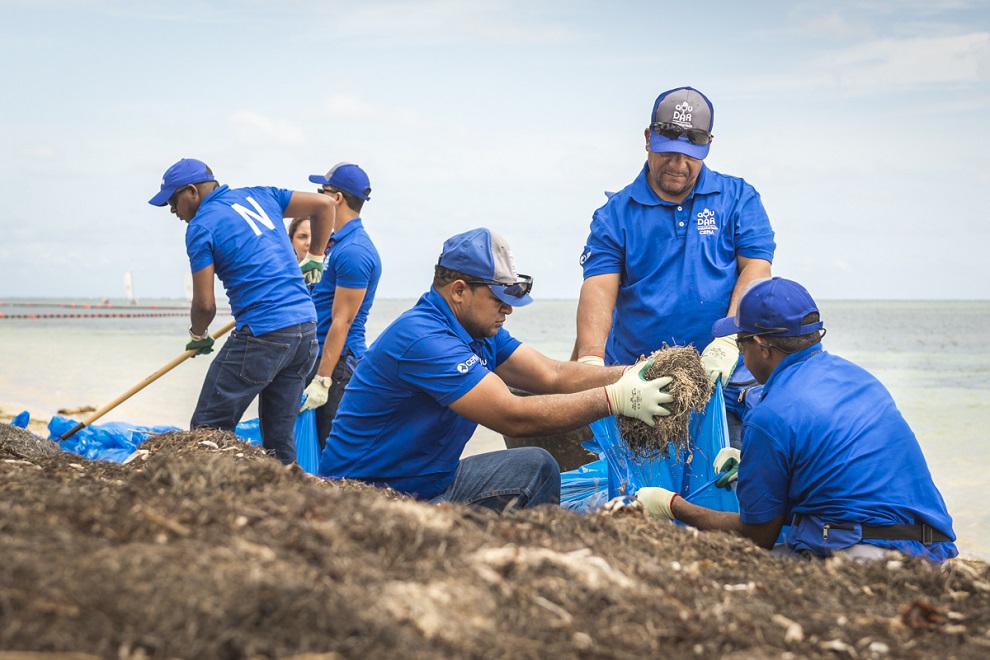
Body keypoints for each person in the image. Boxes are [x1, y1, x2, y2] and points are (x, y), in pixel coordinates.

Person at [319, 227, 676, 512]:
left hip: (432, 484)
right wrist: (615, 399)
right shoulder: (422, 338)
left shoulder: (480, 330)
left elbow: (552, 374)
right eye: (500, 299)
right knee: (531, 457)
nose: (508, 310)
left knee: (536, 465)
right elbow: (512, 416)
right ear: (460, 291)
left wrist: (640, 373)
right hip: (369, 497)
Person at [635, 277, 958, 564]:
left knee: (731, 567)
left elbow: (756, 537)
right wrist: (752, 464)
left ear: (762, 348)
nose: (740, 355)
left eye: (739, 344)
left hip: (875, 556)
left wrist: (672, 506)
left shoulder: (769, 414)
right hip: (933, 549)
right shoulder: (860, 378)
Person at [573, 86, 776, 445]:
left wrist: (730, 335)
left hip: (724, 376)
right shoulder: (615, 214)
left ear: (708, 147)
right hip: (642, 377)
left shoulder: (739, 197)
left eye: (691, 156)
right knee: (633, 492)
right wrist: (590, 362)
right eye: (668, 153)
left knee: (729, 480)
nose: (679, 166)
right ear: (649, 138)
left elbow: (757, 267)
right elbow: (598, 288)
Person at [149, 158, 334, 465]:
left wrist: (198, 334)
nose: (172, 210)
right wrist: (317, 255)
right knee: (278, 439)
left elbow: (205, 304)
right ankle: (289, 500)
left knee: (207, 429)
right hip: (305, 332)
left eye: (173, 200)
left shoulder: (200, 226)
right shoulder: (261, 195)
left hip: (264, 334)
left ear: (192, 191)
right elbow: (325, 205)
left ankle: (209, 501)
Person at [300, 163, 382, 450]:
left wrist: (323, 379)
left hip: (338, 366)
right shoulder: (333, 243)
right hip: (318, 356)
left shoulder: (355, 251)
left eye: (321, 191)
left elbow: (342, 321)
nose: (316, 197)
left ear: (336, 198)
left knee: (330, 451)